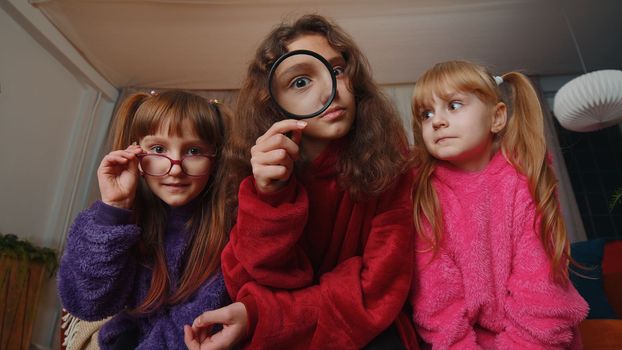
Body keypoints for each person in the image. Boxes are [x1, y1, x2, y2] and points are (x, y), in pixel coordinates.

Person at [185, 14, 418, 350]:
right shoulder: (258, 172)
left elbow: (379, 288)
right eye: (300, 82)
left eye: (337, 70)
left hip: (373, 331)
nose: (331, 89)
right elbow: (250, 279)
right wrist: (269, 197)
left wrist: (261, 315)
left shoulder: (392, 162)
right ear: (273, 106)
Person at [408, 60, 588, 349]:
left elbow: (542, 291)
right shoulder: (425, 196)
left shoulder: (524, 183)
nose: (437, 121)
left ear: (497, 118)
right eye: (426, 114)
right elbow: (436, 300)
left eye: (453, 105)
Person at [58, 90, 233, 349]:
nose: (175, 167)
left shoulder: (229, 225)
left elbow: (201, 320)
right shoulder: (117, 220)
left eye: (194, 151)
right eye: (158, 149)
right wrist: (114, 209)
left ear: (215, 159)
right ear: (136, 154)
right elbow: (86, 303)